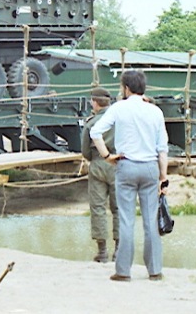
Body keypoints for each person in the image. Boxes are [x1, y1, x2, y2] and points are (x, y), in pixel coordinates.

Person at [90, 70, 169, 282]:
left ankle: (124, 271)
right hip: (150, 167)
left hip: (126, 165)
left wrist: (107, 156)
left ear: (126, 88)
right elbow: (162, 148)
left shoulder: (119, 108)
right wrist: (163, 176)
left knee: (126, 220)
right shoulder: (155, 112)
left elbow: (95, 132)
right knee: (150, 221)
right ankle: (155, 270)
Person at [81, 87, 118, 263]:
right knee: (119, 208)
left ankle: (102, 252)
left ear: (95, 103)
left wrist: (95, 159)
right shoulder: (119, 120)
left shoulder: (91, 122)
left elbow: (85, 151)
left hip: (98, 163)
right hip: (119, 164)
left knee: (98, 208)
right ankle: (119, 250)